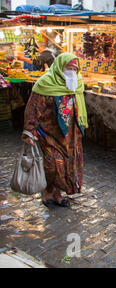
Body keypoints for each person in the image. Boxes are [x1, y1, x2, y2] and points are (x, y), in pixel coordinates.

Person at [22, 53, 88, 208]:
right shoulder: (46, 83)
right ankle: (47, 191)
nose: (72, 71)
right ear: (59, 67)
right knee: (52, 164)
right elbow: (33, 108)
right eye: (68, 68)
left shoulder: (76, 83)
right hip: (49, 132)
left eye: (74, 69)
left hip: (70, 135)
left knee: (66, 165)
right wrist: (29, 130)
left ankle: (57, 194)